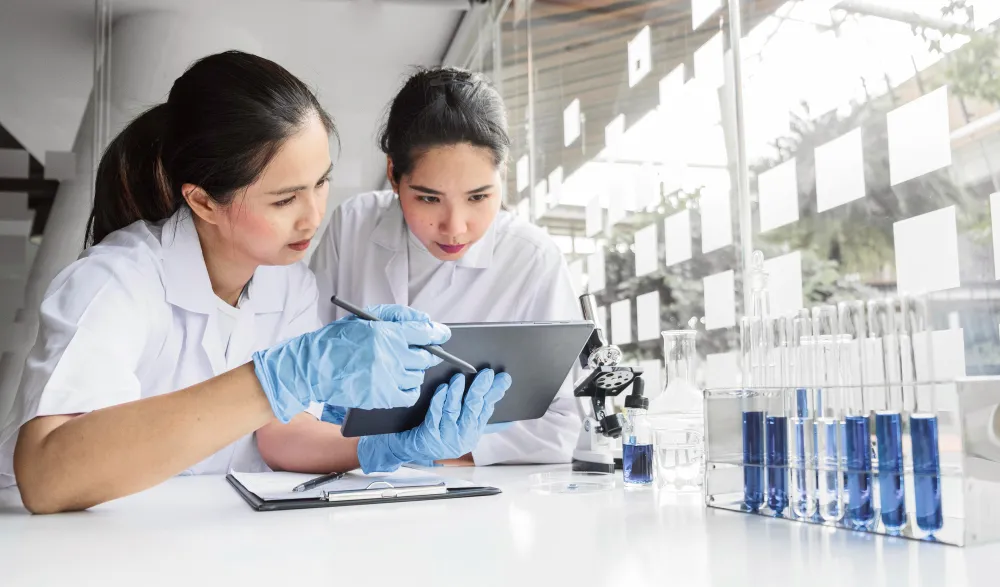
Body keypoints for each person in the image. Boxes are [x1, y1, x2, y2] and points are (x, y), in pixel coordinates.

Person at [0, 51, 509, 514]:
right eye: (285, 199)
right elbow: (47, 479)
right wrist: (276, 380)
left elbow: (279, 436)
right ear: (203, 201)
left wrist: (389, 445)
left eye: (321, 183)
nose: (313, 217)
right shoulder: (116, 281)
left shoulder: (287, 284)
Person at [259, 67, 582, 473]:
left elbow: (564, 425)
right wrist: (378, 445)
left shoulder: (532, 258)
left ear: (502, 175)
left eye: (478, 197)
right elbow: (299, 387)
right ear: (394, 175)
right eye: (429, 198)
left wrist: (436, 449)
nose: (455, 227)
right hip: (349, 477)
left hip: (473, 489)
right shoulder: (355, 224)